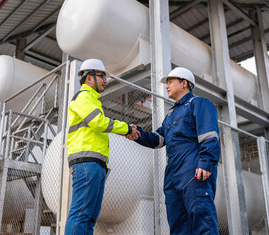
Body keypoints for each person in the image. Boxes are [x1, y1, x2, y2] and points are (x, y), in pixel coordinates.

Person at [127, 67, 220, 234]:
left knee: (202, 220)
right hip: (173, 172)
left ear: (184, 83)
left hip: (193, 167)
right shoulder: (171, 116)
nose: (167, 86)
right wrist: (137, 133)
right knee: (177, 224)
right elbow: (158, 140)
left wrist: (206, 162)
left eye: (170, 82)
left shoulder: (199, 103)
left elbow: (209, 135)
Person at [65, 58, 140, 235]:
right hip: (86, 161)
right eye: (102, 76)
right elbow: (98, 123)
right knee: (81, 214)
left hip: (95, 163)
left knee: (90, 217)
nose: (105, 80)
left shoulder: (92, 100)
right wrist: (127, 128)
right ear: (89, 78)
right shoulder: (83, 97)